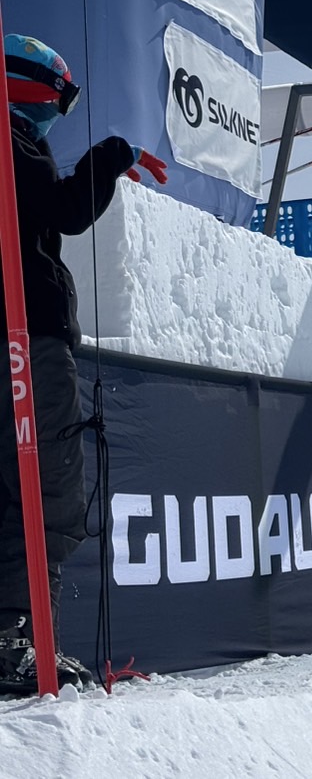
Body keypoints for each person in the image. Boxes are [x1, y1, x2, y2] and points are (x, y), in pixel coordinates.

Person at [0, 34, 167, 695]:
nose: (60, 115)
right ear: (30, 85)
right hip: (26, 338)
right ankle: (18, 637)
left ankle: (16, 635)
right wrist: (110, 157)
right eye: (62, 100)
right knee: (47, 492)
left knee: (21, 489)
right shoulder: (12, 140)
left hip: (25, 334)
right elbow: (64, 211)